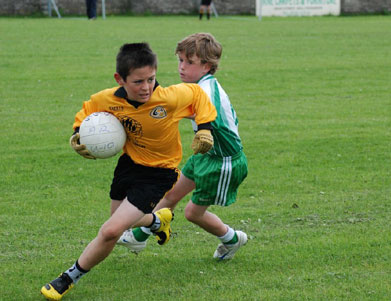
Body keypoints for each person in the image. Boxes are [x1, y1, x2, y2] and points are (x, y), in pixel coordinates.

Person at [40, 42, 217, 300]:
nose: (146, 87)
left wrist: (205, 128)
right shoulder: (108, 99)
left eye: (151, 79)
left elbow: (198, 95)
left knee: (111, 230)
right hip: (129, 165)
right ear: (119, 79)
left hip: (160, 173)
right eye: (137, 82)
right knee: (121, 223)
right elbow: (88, 110)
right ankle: (158, 220)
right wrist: (77, 135)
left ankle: (68, 278)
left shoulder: (168, 98)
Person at [118, 33, 248, 261]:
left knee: (192, 213)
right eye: (180, 60)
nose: (182, 67)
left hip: (223, 161)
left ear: (207, 66)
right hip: (206, 156)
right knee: (169, 194)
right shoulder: (199, 86)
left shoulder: (206, 91)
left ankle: (232, 239)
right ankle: (138, 236)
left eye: (189, 62)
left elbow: (185, 109)